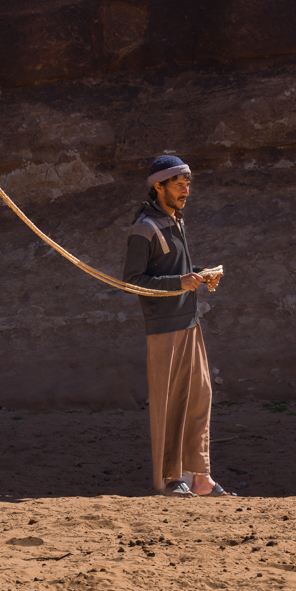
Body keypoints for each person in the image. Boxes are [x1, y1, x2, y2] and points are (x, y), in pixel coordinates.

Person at [122, 155, 234, 498]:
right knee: (170, 402)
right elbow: (133, 281)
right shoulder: (145, 228)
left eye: (188, 184)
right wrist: (179, 283)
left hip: (189, 323)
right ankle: (172, 478)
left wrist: (199, 274)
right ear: (159, 186)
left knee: (200, 397)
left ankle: (200, 477)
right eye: (178, 184)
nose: (186, 190)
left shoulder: (175, 221)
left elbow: (175, 270)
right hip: (164, 328)